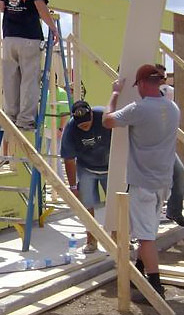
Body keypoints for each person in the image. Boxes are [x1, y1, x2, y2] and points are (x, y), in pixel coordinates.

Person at [102, 64, 179, 301]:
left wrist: (115, 93)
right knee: (150, 227)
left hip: (142, 182)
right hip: (163, 181)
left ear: (144, 84)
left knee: (146, 237)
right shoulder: (173, 108)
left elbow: (107, 121)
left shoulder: (139, 108)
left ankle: (154, 288)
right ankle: (139, 271)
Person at [0, 0, 59, 130]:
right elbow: (40, 6)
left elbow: (2, 7)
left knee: (10, 79)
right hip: (29, 37)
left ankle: (10, 117)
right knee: (29, 80)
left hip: (9, 37)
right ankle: (25, 120)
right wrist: (53, 28)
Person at [61, 100, 112, 253]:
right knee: (88, 205)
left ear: (91, 114)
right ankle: (91, 240)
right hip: (87, 168)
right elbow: (69, 159)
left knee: (116, 205)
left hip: (110, 167)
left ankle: (120, 239)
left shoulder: (104, 116)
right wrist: (73, 186)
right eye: (80, 125)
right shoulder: (71, 129)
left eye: (87, 123)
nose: (84, 126)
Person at [154, 64, 184, 227]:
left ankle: (174, 212)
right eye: (160, 77)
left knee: (179, 172)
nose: (164, 80)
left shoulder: (164, 94)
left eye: (165, 77)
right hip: (148, 147)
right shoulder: (142, 95)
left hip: (164, 146)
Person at [45, 84, 70, 176]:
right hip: (48, 129)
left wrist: (60, 128)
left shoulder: (61, 93)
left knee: (54, 157)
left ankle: (60, 181)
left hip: (57, 129)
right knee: (49, 157)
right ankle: (52, 179)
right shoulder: (47, 93)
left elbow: (65, 113)